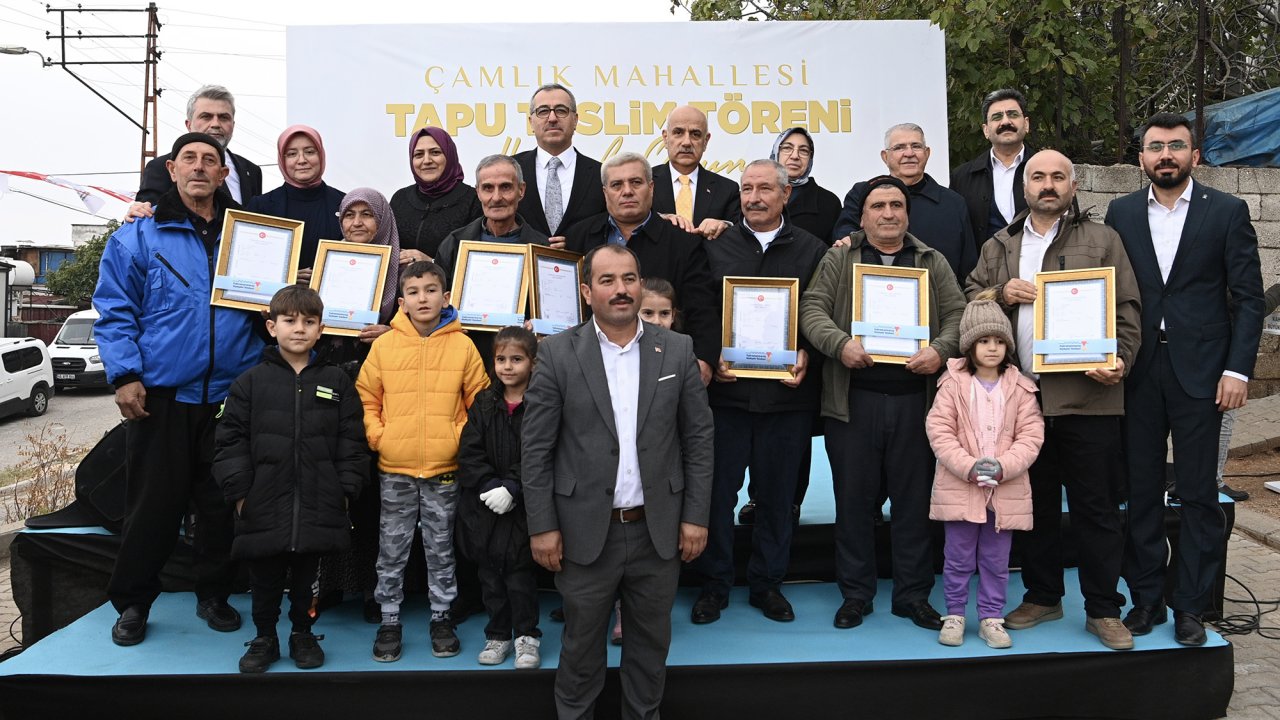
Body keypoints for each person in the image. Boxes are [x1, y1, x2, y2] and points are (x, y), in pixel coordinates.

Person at [523, 243, 714, 720]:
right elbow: (536, 450)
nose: (621, 289)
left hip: (658, 531)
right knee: (581, 652)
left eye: (628, 278)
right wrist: (542, 526)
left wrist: (695, 517)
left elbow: (699, 440)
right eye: (607, 281)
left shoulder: (677, 348)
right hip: (585, 533)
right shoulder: (557, 354)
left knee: (649, 654)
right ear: (587, 292)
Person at [966, 149, 1141, 651]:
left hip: (1088, 398)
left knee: (1097, 508)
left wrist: (1122, 360)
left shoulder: (1104, 239)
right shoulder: (1000, 243)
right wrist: (1000, 292)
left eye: (1058, 176)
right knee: (1033, 505)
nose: (1048, 184)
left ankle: (1104, 609)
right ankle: (1044, 596)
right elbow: (970, 294)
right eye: (1037, 176)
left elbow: (1127, 307)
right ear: (1023, 186)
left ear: (1073, 184)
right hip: (1019, 402)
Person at [95, 132, 266, 646]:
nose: (199, 168)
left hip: (230, 398)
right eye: (188, 159)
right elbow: (115, 309)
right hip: (163, 397)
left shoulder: (252, 236)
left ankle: (213, 595)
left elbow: (271, 310)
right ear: (171, 170)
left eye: (209, 161)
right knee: (153, 506)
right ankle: (133, 603)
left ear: (222, 174)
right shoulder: (138, 236)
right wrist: (125, 375)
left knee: (219, 508)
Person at [1106, 112, 1264, 646]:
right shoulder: (1120, 213)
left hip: (1206, 376)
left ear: (1195, 156)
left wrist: (1239, 369)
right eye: (1155, 147)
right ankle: (1147, 599)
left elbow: (1248, 301)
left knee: (1199, 495)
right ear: (1142, 158)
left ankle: (1191, 607)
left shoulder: (1228, 211)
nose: (1165, 155)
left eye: (1176, 146)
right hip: (1139, 373)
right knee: (1142, 492)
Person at [799, 174, 965, 633]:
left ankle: (913, 596)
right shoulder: (841, 258)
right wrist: (839, 345)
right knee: (853, 503)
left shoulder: (931, 260)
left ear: (907, 212)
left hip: (918, 405)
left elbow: (957, 314)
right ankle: (856, 594)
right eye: (878, 206)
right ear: (864, 213)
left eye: (896, 205)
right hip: (855, 403)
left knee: (914, 506)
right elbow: (811, 309)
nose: (888, 213)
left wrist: (940, 349)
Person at [692, 159, 827, 625]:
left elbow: (820, 309)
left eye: (765, 188)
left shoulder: (812, 249)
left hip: (786, 399)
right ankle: (715, 584)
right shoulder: (717, 245)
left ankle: (768, 584)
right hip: (727, 398)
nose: (754, 197)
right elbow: (702, 308)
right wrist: (713, 354)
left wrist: (807, 349)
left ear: (785, 194)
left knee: (776, 497)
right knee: (717, 496)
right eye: (747, 188)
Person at [213, 285, 368, 673]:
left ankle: (303, 632)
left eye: (309, 321)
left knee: (305, 579)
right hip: (263, 501)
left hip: (319, 499)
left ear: (321, 330)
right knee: (264, 577)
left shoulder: (337, 381)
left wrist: (345, 491)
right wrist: (241, 495)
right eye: (290, 320)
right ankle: (265, 636)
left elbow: (353, 441)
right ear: (271, 326)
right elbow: (229, 443)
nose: (299, 329)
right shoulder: (249, 383)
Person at [356, 261, 490, 661]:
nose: (423, 298)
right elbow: (367, 398)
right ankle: (390, 618)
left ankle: (441, 615)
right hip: (394, 468)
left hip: (444, 470)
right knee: (392, 547)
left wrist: (456, 442)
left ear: (445, 297)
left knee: (440, 546)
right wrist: (381, 437)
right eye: (414, 292)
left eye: (431, 290)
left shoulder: (463, 345)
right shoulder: (385, 346)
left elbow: (479, 405)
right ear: (402, 302)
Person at [926, 293, 1044, 649]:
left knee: (996, 561)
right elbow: (939, 431)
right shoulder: (951, 385)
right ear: (969, 346)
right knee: (958, 557)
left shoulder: (1022, 387)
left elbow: (1032, 435)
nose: (991, 348)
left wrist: (1004, 466)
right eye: (983, 341)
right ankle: (955, 614)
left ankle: (992, 616)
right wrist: (969, 467)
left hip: (1004, 493)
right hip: (961, 489)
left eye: (998, 341)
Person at [313, 187, 400, 623]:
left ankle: (372, 586)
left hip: (384, 396)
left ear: (382, 220)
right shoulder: (324, 271)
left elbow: (432, 327)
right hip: (329, 389)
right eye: (350, 215)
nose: (358, 223)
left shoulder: (403, 276)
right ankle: (330, 581)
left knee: (373, 496)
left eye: (368, 214)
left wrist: (393, 332)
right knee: (330, 486)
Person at [565, 152, 720, 384]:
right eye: (617, 185)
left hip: (661, 369)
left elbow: (701, 306)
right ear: (605, 193)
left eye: (635, 182)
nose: (627, 191)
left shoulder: (683, 243)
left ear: (651, 187)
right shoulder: (579, 236)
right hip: (589, 368)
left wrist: (704, 360)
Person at [457, 326, 542, 669]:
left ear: (533, 364)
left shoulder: (541, 403)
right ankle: (498, 635)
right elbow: (469, 451)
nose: (508, 367)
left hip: (522, 507)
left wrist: (513, 487)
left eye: (517, 359)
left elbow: (541, 452)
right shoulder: (485, 402)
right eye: (501, 359)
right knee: (490, 575)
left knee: (520, 577)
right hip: (486, 506)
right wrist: (489, 485)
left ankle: (526, 637)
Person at [834, 123, 977, 285]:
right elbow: (844, 238)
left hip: (938, 303)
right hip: (870, 297)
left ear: (927, 153)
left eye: (916, 146)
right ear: (885, 156)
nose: (909, 153)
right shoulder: (862, 194)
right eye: (899, 147)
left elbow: (969, 269)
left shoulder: (954, 203)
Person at [245, 125, 345, 280]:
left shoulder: (345, 204)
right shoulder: (261, 206)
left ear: (321, 155)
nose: (302, 160)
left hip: (335, 300)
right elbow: (247, 263)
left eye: (310, 152)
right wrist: (285, 277)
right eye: (292, 154)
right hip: (277, 302)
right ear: (282, 160)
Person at [135, 85, 261, 207]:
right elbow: (144, 218)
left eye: (223, 117)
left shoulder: (251, 171)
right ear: (189, 125)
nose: (215, 124)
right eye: (206, 117)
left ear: (233, 124)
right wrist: (138, 211)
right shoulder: (160, 167)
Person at [435, 154, 550, 283]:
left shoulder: (543, 249)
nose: (496, 198)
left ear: (521, 190)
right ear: (478, 192)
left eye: (505, 187)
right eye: (488, 188)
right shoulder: (454, 244)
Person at [514, 84, 607, 241]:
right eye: (543, 111)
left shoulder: (601, 174)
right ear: (531, 122)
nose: (552, 119)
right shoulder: (511, 170)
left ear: (575, 120)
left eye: (561, 111)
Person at [950, 89, 1033, 245]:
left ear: (1026, 124)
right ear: (986, 130)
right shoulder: (962, 177)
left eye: (1013, 115)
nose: (1006, 122)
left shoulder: (1050, 169)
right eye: (997, 117)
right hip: (984, 267)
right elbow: (956, 235)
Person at [389, 127, 482, 263]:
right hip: (402, 283)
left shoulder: (473, 199)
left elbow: (477, 259)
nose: (426, 160)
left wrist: (433, 262)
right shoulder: (400, 198)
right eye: (419, 154)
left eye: (435, 152)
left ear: (449, 156)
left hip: (450, 283)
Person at [651, 105, 741, 239]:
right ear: (665, 138)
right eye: (678, 132)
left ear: (706, 141)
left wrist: (724, 225)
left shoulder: (727, 189)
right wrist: (657, 219)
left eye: (695, 134)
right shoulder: (644, 182)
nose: (686, 142)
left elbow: (741, 232)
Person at [769, 127, 841, 243]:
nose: (795, 156)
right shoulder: (755, 194)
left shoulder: (828, 202)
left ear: (810, 158)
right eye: (787, 148)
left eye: (803, 151)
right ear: (776, 151)